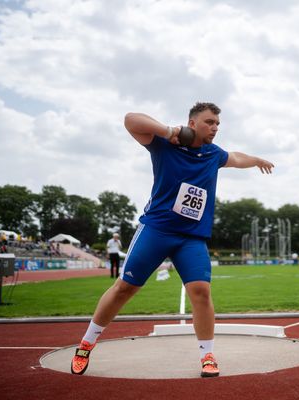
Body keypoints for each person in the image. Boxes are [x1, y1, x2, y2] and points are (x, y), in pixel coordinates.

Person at [70, 102, 274, 377]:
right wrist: (168, 131)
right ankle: (86, 343)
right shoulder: (165, 144)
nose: (214, 128)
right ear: (192, 123)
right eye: (209, 122)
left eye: (217, 124)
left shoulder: (213, 154)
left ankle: (208, 355)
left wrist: (257, 160)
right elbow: (131, 119)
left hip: (191, 238)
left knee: (201, 292)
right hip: (157, 230)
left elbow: (236, 157)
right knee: (124, 289)